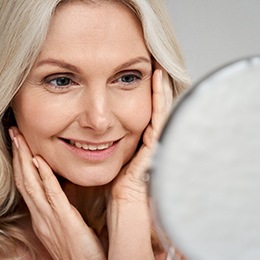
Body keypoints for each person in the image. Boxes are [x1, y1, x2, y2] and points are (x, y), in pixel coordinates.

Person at [0, 0, 190, 259]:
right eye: (62, 81)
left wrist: (129, 208)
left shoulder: (205, 238)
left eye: (127, 77)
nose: (99, 120)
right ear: (9, 92)